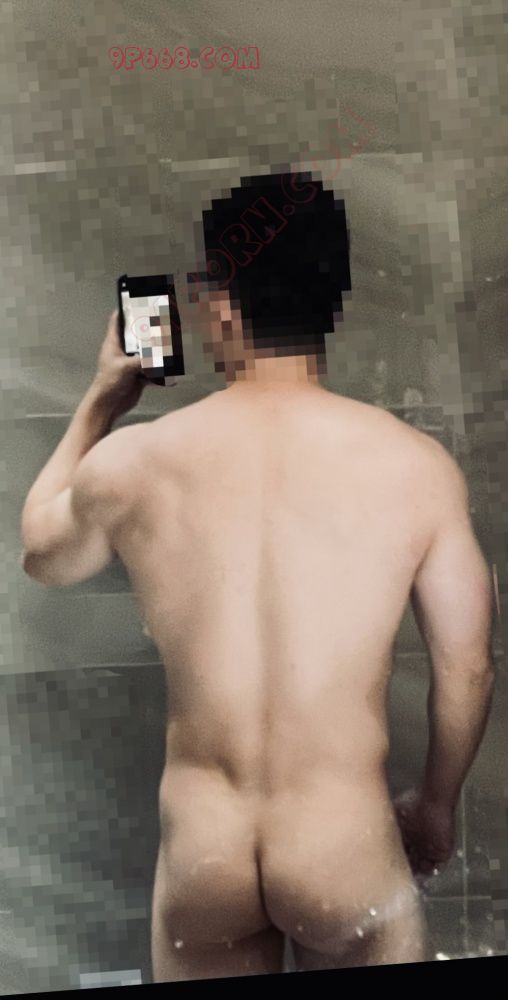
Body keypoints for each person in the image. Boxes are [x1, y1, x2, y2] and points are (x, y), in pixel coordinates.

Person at [20, 173, 495, 980]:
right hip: (342, 844)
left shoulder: (138, 461)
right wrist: (435, 806)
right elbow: (468, 667)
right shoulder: (414, 467)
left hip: (204, 850)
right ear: (333, 301)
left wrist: (102, 400)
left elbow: (44, 554)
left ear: (217, 303)